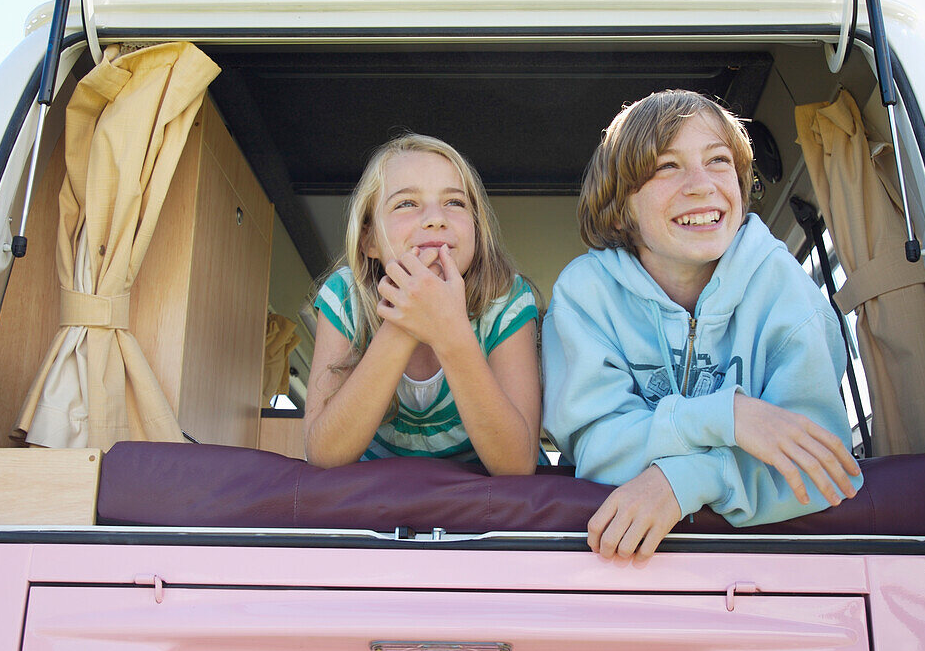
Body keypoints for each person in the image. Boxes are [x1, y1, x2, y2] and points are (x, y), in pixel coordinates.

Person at [542, 90, 863, 562]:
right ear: (621, 201)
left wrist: (687, 481)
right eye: (667, 166)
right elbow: (598, 449)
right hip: (617, 567)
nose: (701, 185)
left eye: (717, 161)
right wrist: (731, 418)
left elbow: (820, 467)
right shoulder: (585, 295)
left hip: (762, 572)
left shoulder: (782, 286)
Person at [304, 133, 541, 475]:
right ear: (369, 239)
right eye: (406, 203)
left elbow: (517, 465)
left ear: (476, 227)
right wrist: (404, 321)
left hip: (476, 509)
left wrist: (450, 333)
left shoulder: (505, 300)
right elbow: (324, 453)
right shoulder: (345, 296)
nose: (435, 218)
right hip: (371, 510)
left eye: (455, 203)